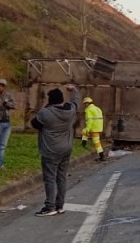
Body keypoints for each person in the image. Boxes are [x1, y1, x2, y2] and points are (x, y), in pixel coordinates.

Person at [30, 84, 80, 216]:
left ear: (50, 101)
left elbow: (34, 123)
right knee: (61, 177)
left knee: (50, 178)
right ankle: (60, 206)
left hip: (50, 150)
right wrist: (74, 90)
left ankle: (49, 206)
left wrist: (45, 107)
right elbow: (76, 102)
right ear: (62, 99)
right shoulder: (70, 110)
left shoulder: (46, 113)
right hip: (66, 148)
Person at [80, 97, 106, 161]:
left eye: (85, 104)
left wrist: (88, 129)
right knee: (85, 132)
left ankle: (102, 156)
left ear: (87, 103)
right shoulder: (98, 109)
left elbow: (90, 120)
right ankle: (83, 144)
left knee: (96, 142)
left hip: (93, 127)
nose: (85, 105)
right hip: (98, 127)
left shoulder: (88, 110)